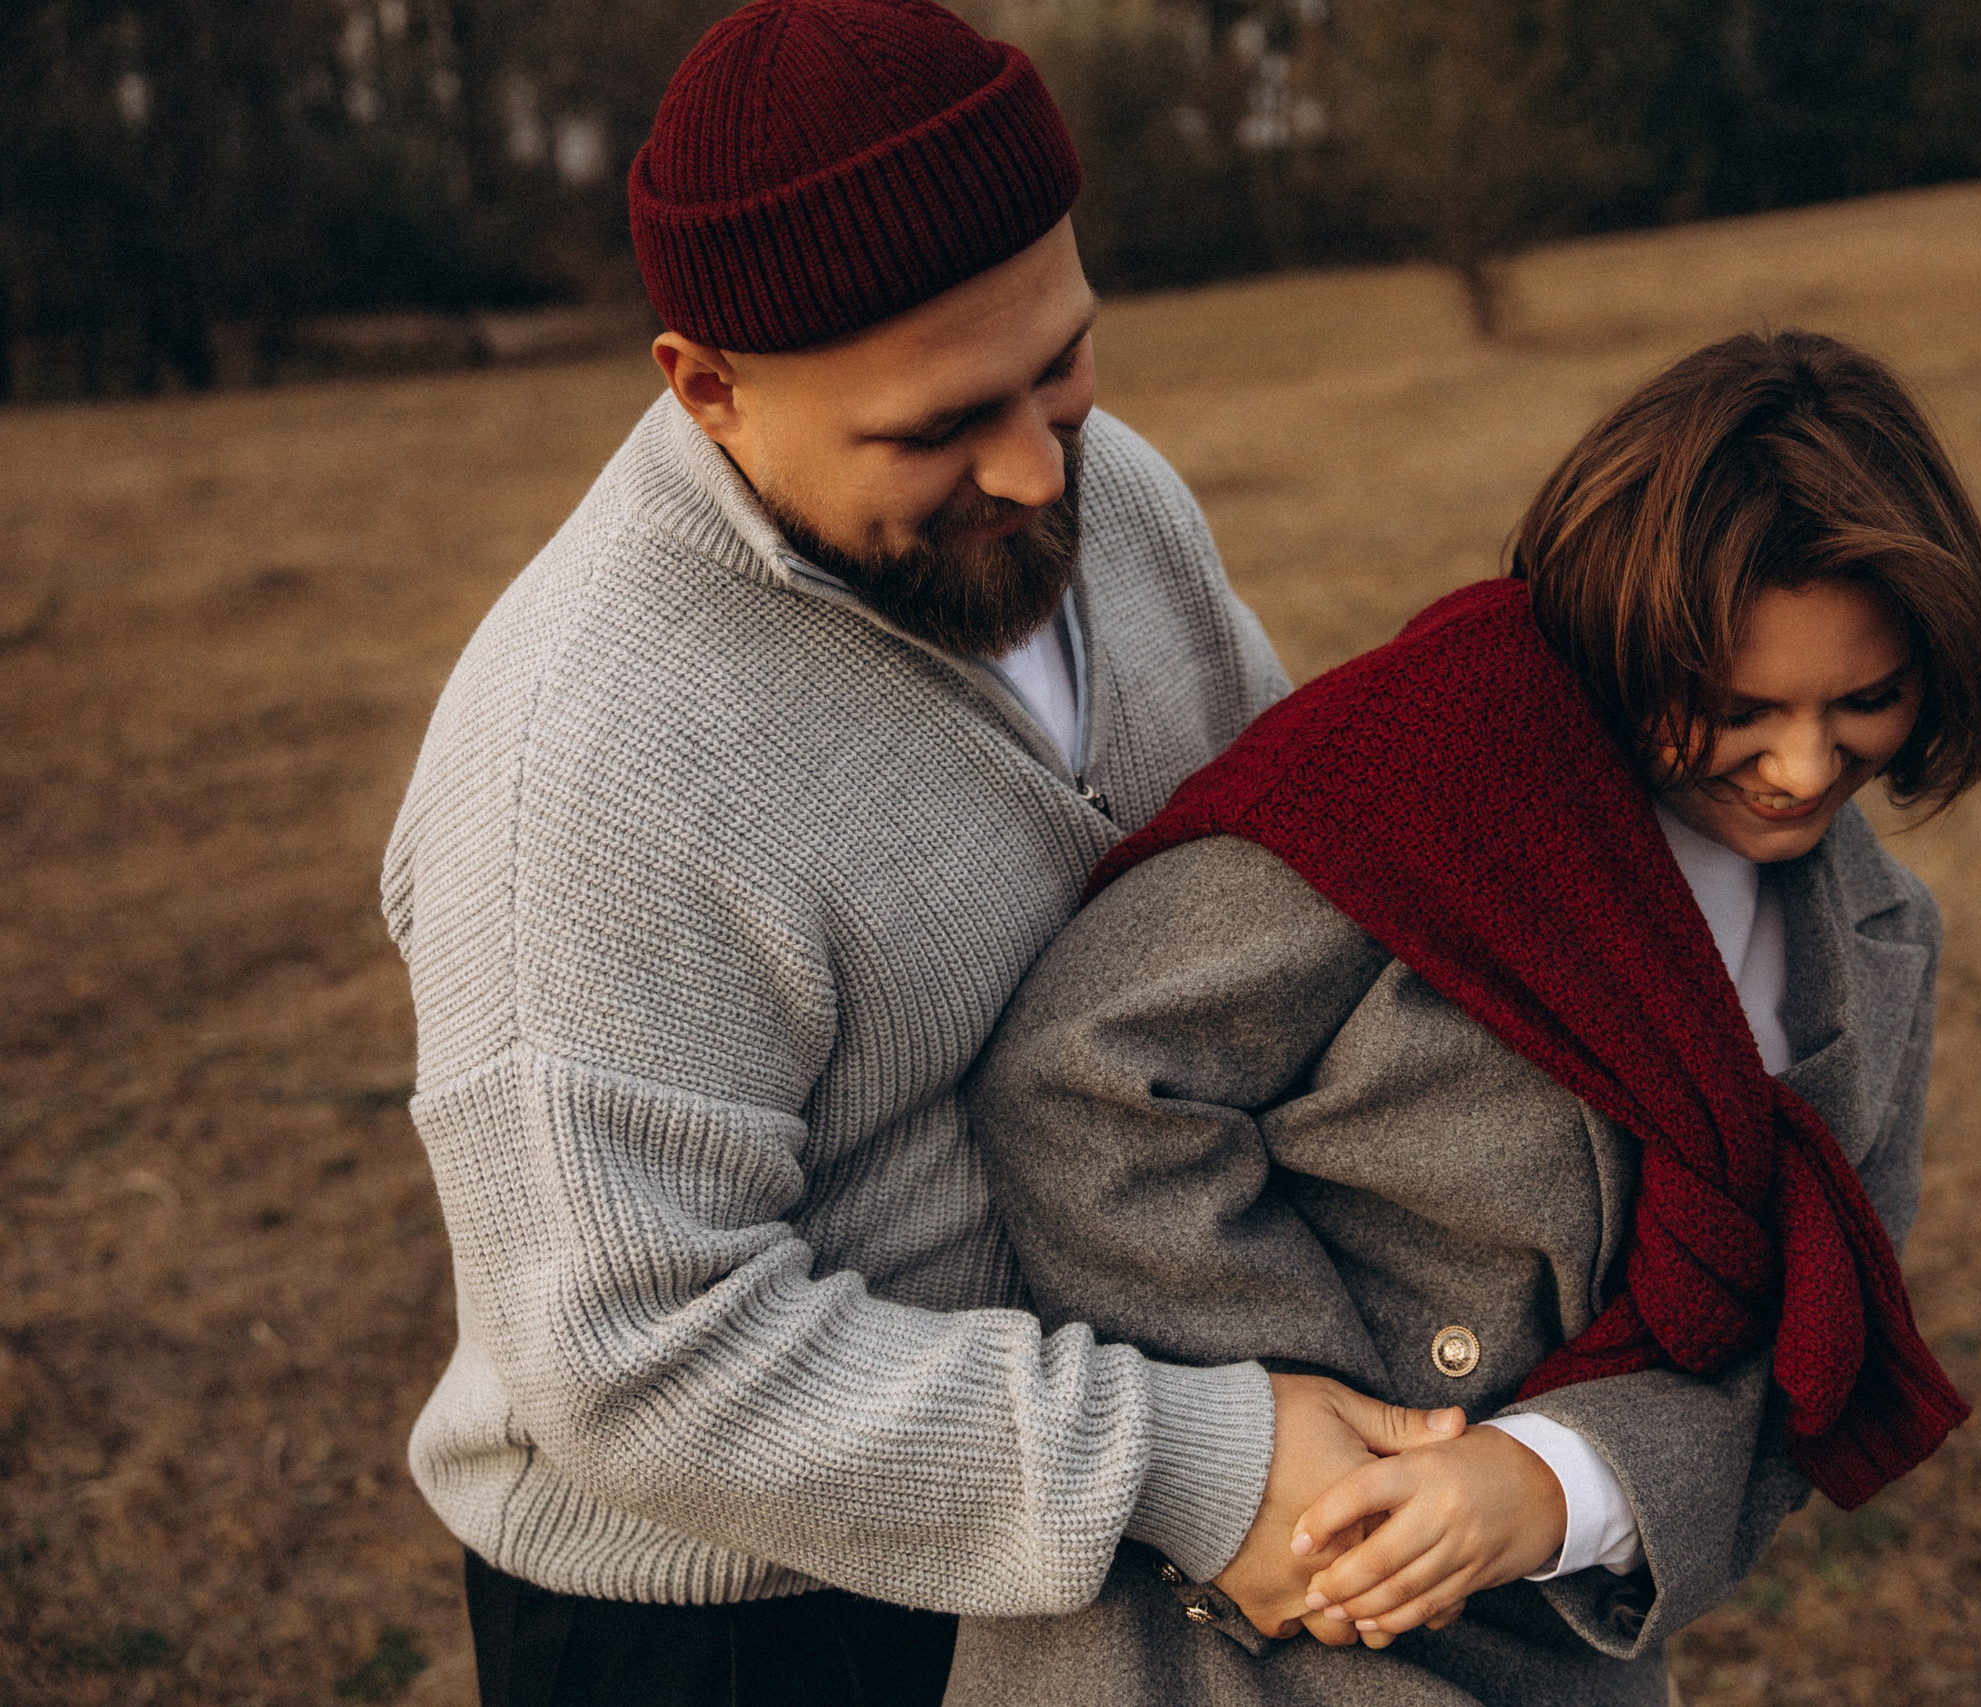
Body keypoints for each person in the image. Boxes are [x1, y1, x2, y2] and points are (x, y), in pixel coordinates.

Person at [380, 4, 1457, 1703]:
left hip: (1121, 1538)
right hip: (746, 1630)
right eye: (937, 426)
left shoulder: (1114, 499)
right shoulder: (587, 773)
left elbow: (1297, 881)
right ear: (706, 387)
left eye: (1064, 366)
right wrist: (1188, 1456)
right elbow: (633, 1359)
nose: (1035, 470)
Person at [947, 330, 1981, 1704]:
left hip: (1545, 1649)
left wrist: (1551, 1482)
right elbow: (1086, 1080)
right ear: (1628, 644)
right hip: (1210, 1639)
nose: (1805, 767)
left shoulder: (1879, 942)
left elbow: (1813, 1339)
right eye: (1739, 710)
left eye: (1867, 701)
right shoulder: (1421, 786)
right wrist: (1313, 1439)